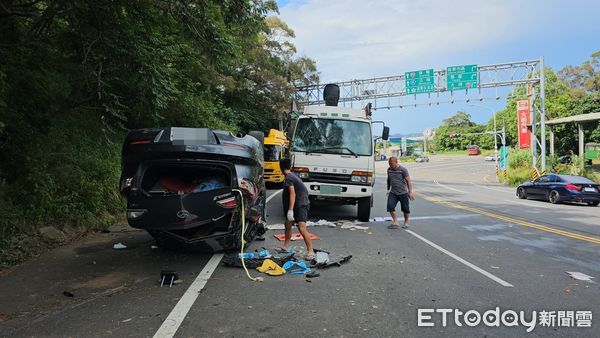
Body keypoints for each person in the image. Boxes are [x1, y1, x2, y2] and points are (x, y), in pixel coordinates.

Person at [277, 158, 315, 260]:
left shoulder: (289, 177)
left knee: (301, 228)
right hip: (298, 204)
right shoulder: (292, 175)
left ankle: (311, 251)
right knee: (288, 224)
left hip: (301, 205)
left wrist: (290, 210)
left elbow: (292, 194)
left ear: (281, 168)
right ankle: (286, 245)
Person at [386, 156, 414, 229]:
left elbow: (408, 181)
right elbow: (389, 179)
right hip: (393, 192)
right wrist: (388, 189)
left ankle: (406, 222)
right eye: (389, 164)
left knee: (405, 209)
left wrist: (410, 192)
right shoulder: (389, 170)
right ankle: (395, 222)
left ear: (396, 162)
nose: (390, 165)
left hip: (403, 192)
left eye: (392, 164)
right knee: (390, 206)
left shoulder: (403, 170)